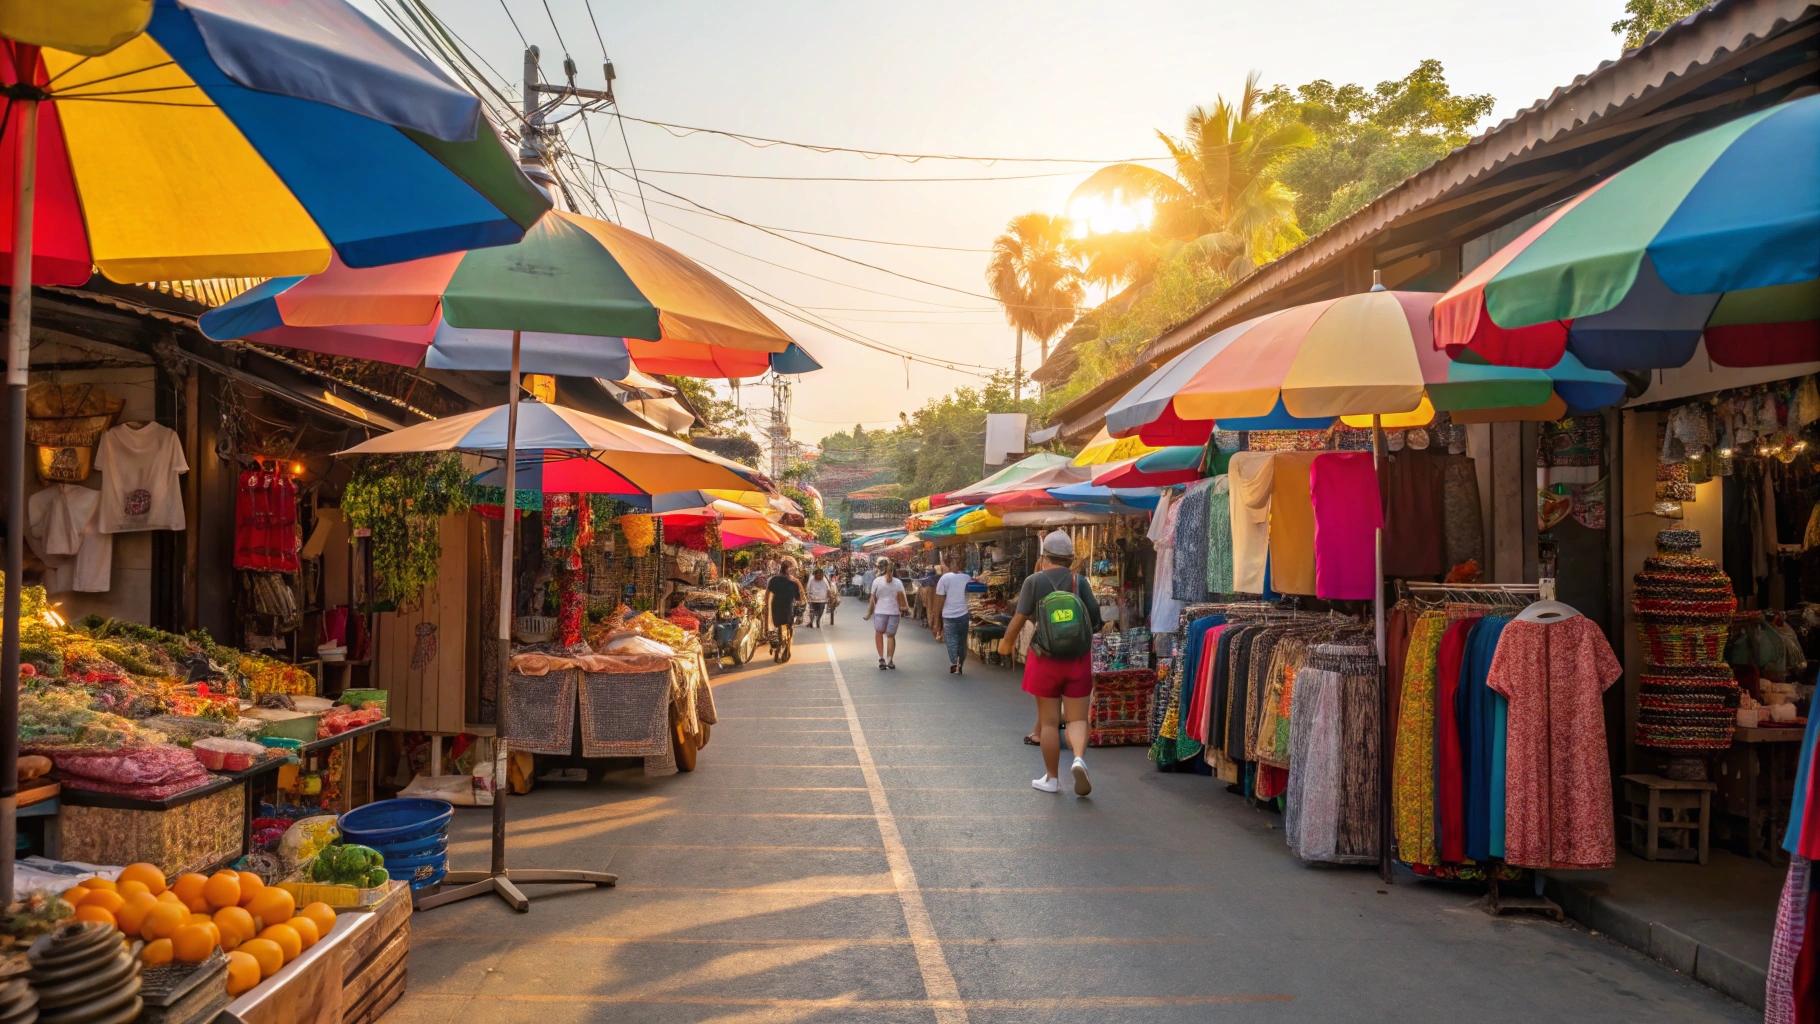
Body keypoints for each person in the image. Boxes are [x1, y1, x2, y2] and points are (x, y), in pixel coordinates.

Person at [999, 531, 1101, 796]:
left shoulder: (1034, 581)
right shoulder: (1080, 582)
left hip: (1044, 658)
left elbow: (1020, 618)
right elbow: (1096, 618)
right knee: (1077, 719)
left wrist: (1006, 643)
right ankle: (1078, 759)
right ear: (1070, 558)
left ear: (1045, 556)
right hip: (1077, 659)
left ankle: (1052, 778)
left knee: (1048, 723)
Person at [933, 554, 973, 674]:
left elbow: (939, 600)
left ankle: (954, 663)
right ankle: (960, 664)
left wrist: (936, 621)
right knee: (962, 641)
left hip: (948, 616)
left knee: (951, 641)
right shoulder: (967, 577)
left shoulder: (944, 578)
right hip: (963, 614)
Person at [866, 556, 907, 670]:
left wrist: (869, 612)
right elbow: (902, 597)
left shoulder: (877, 581)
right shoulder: (898, 582)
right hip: (894, 612)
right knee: (891, 636)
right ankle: (890, 660)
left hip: (880, 611)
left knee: (879, 633)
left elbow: (872, 599)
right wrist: (906, 609)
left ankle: (881, 659)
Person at [765, 558, 803, 660]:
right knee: (790, 627)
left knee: (777, 626)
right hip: (787, 608)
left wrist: (766, 605)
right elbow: (798, 599)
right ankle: (787, 648)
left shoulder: (773, 580)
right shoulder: (794, 582)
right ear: (788, 569)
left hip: (776, 607)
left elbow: (767, 593)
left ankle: (778, 645)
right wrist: (800, 603)